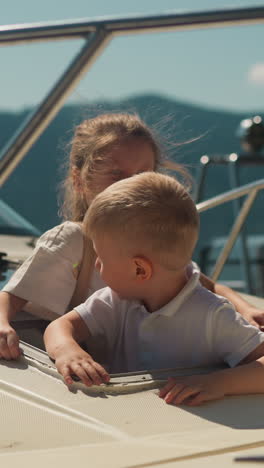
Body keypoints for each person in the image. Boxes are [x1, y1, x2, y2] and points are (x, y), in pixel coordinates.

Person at [0, 113, 263, 361]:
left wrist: (244, 309)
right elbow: (12, 297)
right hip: (81, 362)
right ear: (79, 181)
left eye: (143, 174)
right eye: (116, 175)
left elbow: (205, 285)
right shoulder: (73, 239)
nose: (130, 184)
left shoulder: (147, 241)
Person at [44, 172, 264, 406]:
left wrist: (217, 383)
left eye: (101, 258)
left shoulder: (212, 314)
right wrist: (67, 349)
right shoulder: (115, 301)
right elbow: (60, 326)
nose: (97, 266)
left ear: (140, 270)